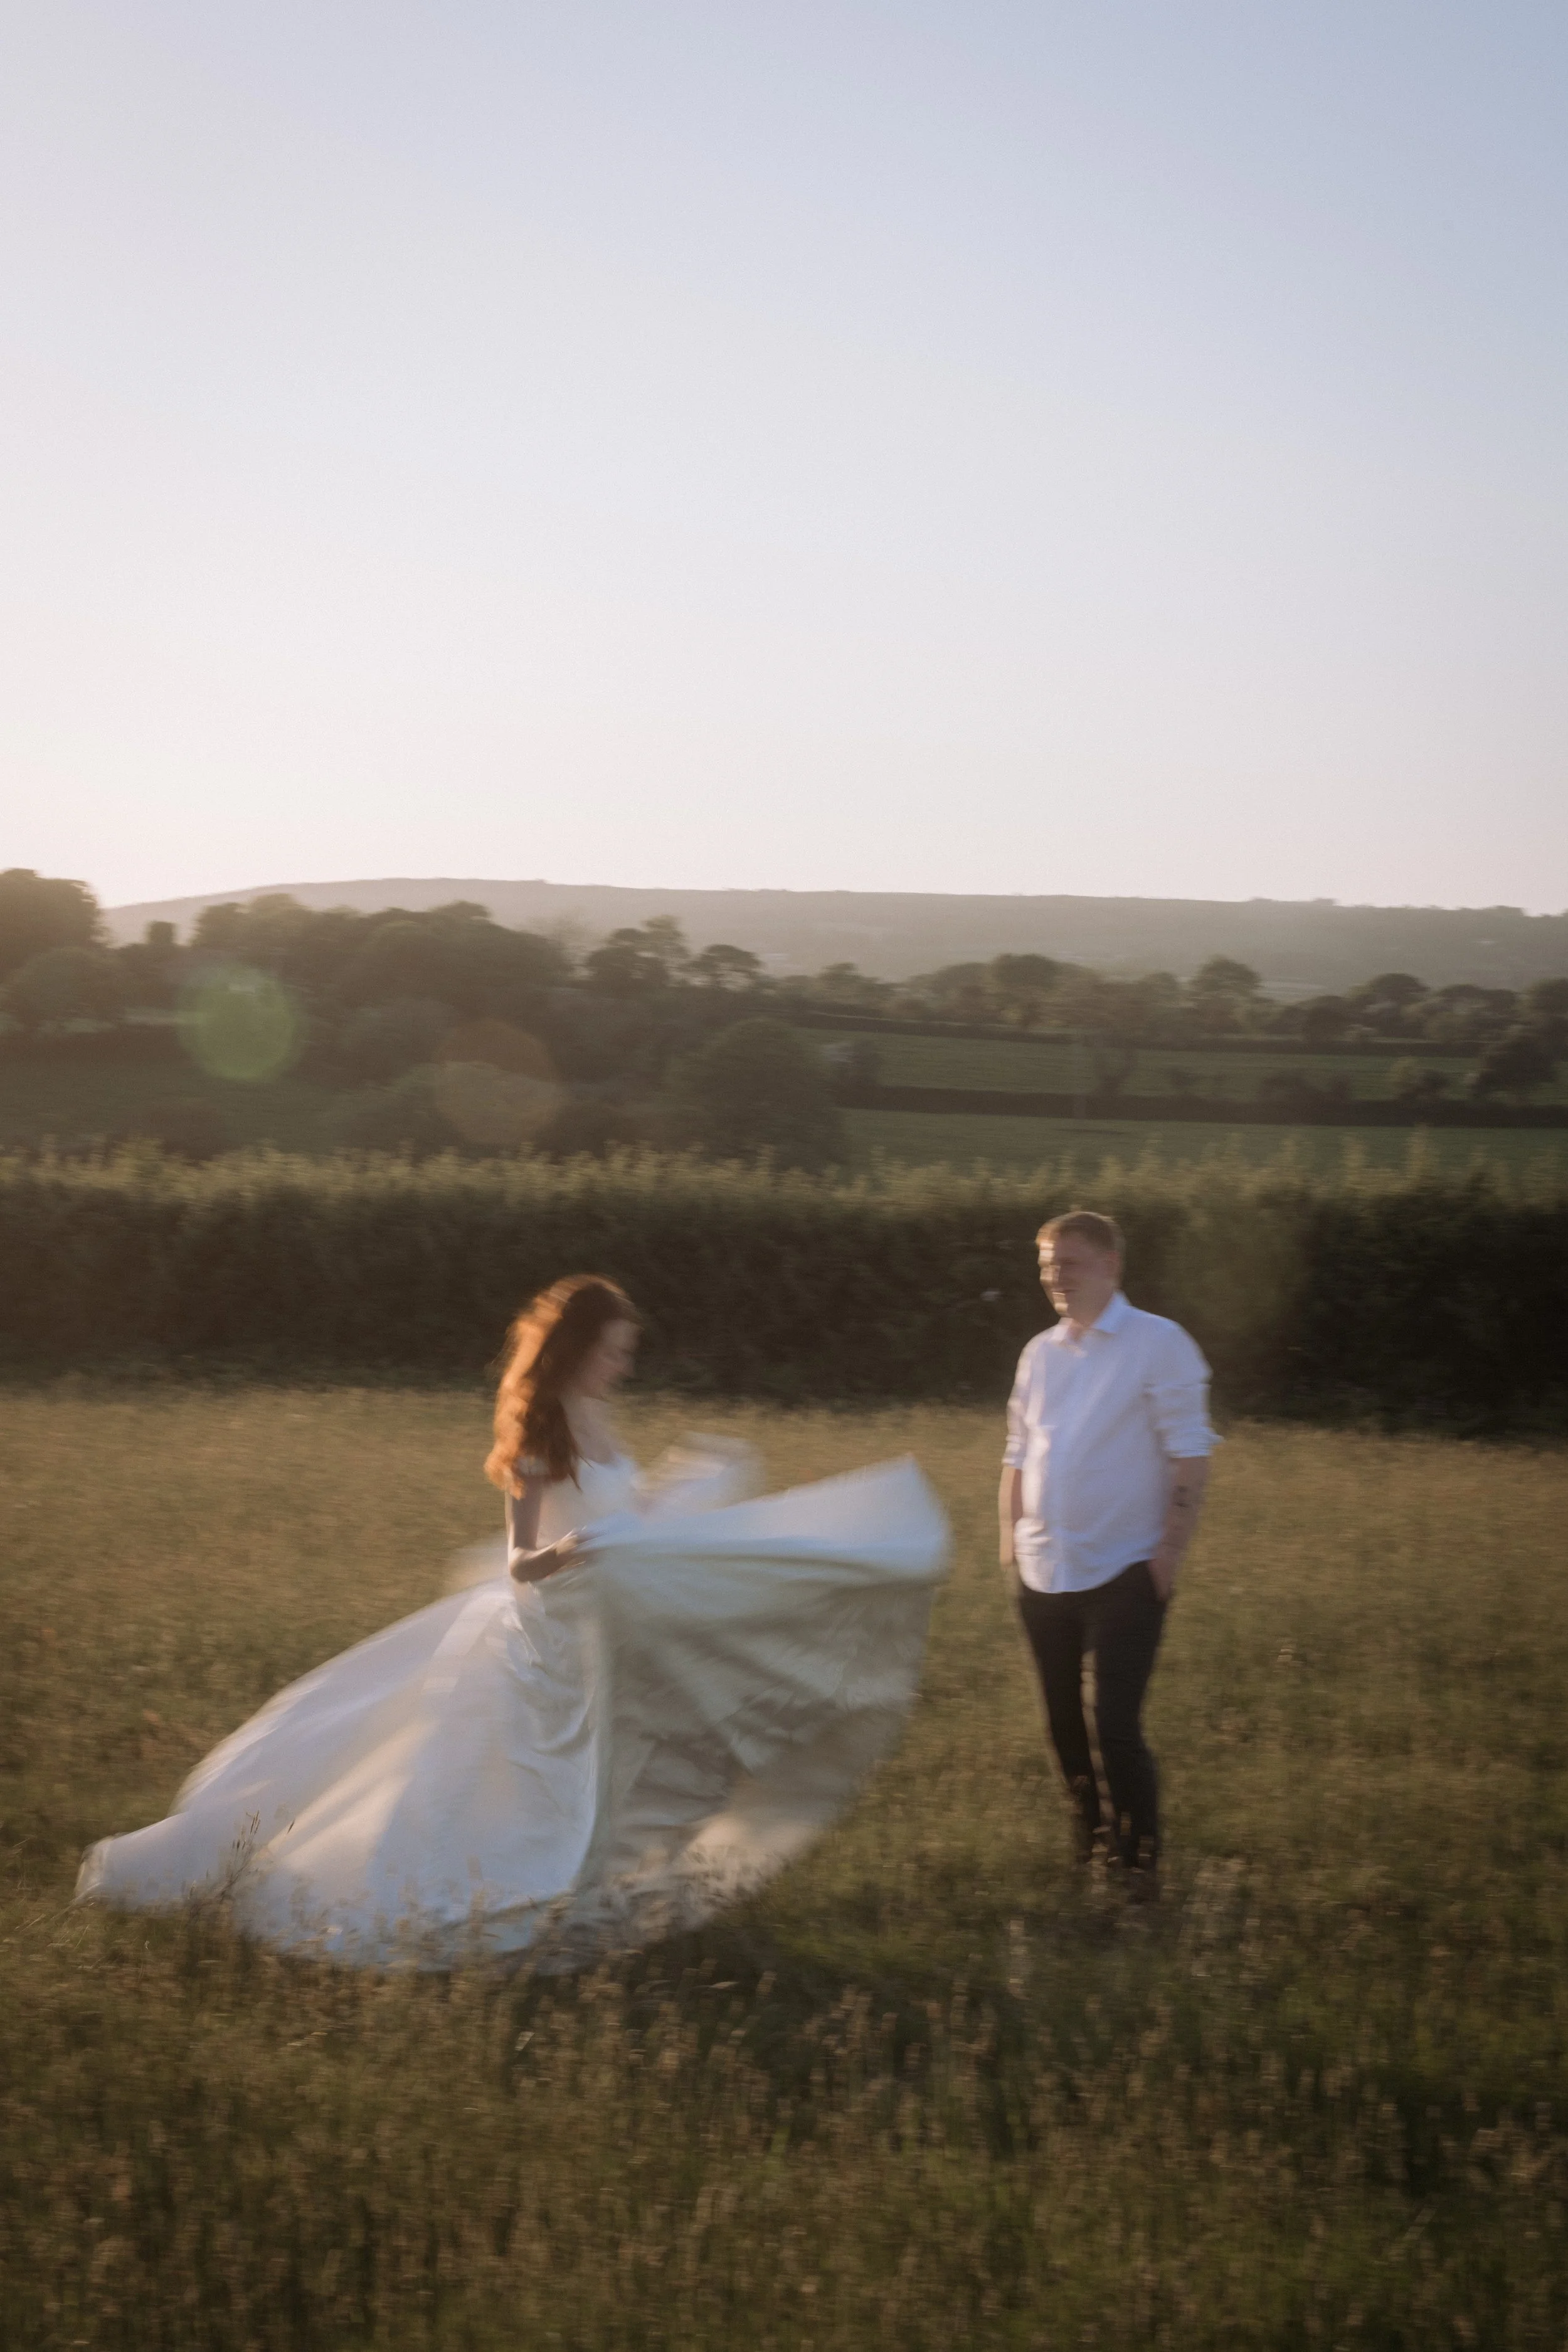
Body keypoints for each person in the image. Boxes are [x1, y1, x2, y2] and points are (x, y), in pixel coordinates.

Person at [77, 1275, 948, 1967]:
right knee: (510, 1782)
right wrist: (585, 1547)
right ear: (575, 1350)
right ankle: (450, 1895)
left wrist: (666, 1494)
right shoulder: (537, 1434)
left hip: (612, 1623)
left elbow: (616, 1504)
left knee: (633, 1762)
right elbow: (522, 1560)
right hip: (553, 1628)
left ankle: (587, 1894)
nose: (620, 1368)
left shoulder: (598, 1415)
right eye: (611, 1352)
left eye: (624, 1353)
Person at [999, 1210, 1214, 1895]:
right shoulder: (1040, 1353)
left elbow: (1190, 1453)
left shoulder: (1160, 1343)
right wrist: (1009, 1538)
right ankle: (1088, 1850)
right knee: (1063, 1725)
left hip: (1124, 1567)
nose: (1054, 1278)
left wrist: (1167, 1555)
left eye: (1068, 1263)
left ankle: (1138, 1870)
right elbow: (1015, 1452)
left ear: (1110, 1265)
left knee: (1114, 1726)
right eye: (1045, 1267)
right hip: (1044, 1570)